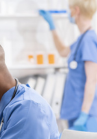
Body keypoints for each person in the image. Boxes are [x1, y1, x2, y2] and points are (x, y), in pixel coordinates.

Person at [39, 0, 97, 131]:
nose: (68, 13)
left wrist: (84, 114)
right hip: (74, 112)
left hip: (85, 115)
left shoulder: (89, 40)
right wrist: (52, 26)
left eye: (69, 9)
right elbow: (63, 51)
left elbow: (92, 80)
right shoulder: (82, 39)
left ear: (76, 11)